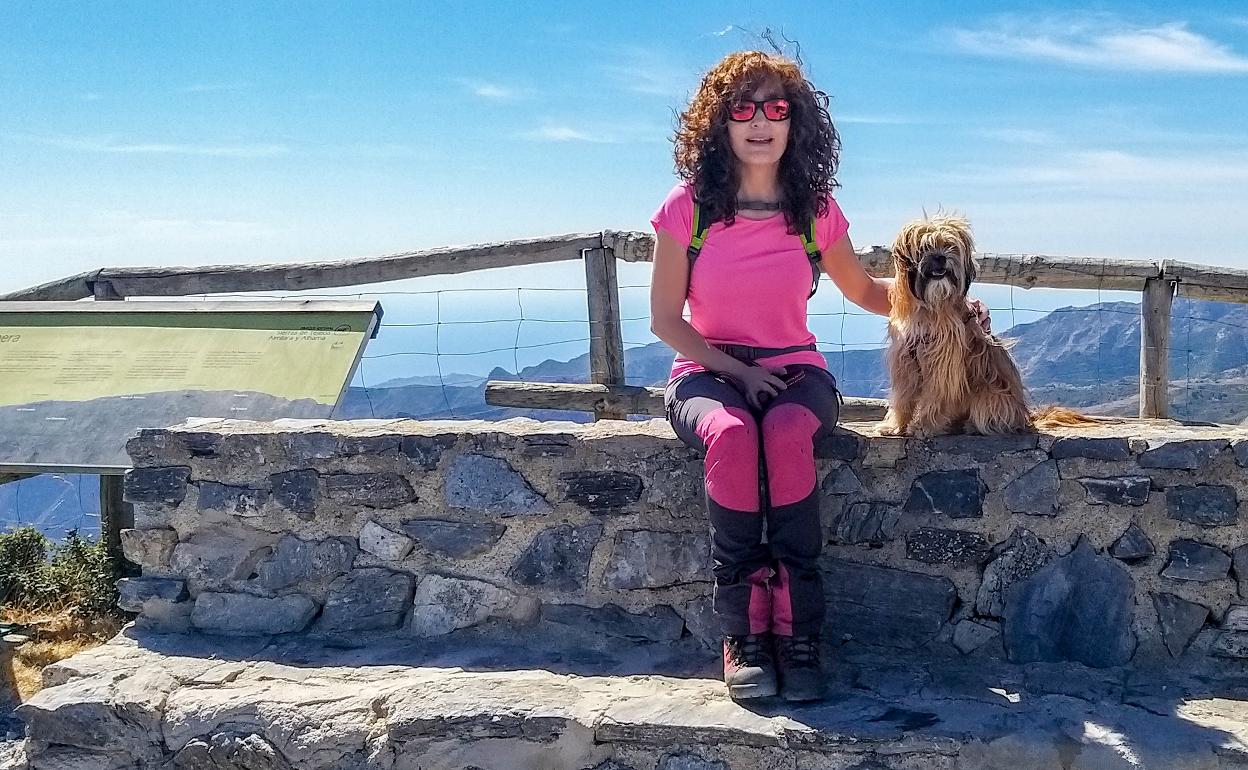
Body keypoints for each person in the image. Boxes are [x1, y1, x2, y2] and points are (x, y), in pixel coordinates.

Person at [648, 51, 986, 702]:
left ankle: (799, 635)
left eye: (776, 108)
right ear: (718, 123)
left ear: (796, 122)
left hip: (798, 373)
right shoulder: (686, 207)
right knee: (734, 434)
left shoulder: (814, 211)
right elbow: (666, 319)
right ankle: (744, 636)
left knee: (782, 434)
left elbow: (866, 291)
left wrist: (947, 298)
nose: (759, 122)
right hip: (705, 373)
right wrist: (734, 375)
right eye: (741, 108)